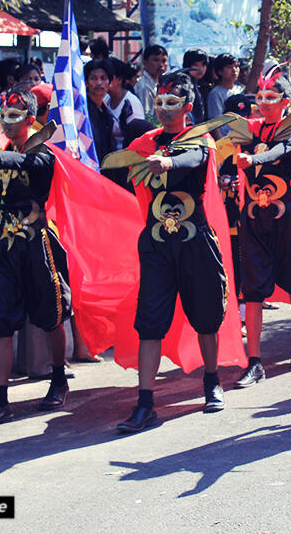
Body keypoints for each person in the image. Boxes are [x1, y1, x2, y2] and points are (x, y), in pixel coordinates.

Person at [113, 71, 229, 432]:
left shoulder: (201, 140)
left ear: (188, 108)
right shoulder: (145, 143)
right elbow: (121, 172)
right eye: (159, 102)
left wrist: (168, 162)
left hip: (196, 242)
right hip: (157, 244)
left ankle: (212, 382)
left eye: (172, 103)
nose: (163, 109)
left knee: (207, 315)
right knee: (150, 322)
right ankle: (145, 402)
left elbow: (193, 160)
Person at [0, 89, 74, 429]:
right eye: (5, 116)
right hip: (6, 248)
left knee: (51, 314)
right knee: (1, 321)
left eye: (15, 117)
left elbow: (32, 164)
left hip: (38, 243)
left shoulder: (43, 149)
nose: (7, 123)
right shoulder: (2, 148)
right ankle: (0, 401)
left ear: (29, 119)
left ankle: (59, 379)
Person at [233, 70, 291, 387]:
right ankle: (254, 362)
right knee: (252, 290)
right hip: (253, 218)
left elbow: (280, 151)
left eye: (271, 98)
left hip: (286, 217)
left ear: (285, 102)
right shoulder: (248, 131)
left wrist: (254, 160)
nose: (264, 103)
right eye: (260, 98)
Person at [104, 59, 146, 150]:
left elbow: (137, 138)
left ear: (119, 80)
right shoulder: (106, 99)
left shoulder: (131, 103)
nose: (102, 82)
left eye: (106, 77)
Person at [84, 59, 117, 159]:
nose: (99, 83)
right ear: (86, 82)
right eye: (93, 78)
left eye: (103, 78)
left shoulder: (106, 112)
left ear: (109, 82)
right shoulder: (83, 110)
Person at [134, 44, 169, 118]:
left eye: (164, 61)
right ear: (145, 63)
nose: (161, 65)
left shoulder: (159, 83)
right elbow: (147, 116)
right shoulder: (144, 87)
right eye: (156, 60)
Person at [207, 54, 242, 125]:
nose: (234, 70)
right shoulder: (216, 94)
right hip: (226, 135)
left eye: (236, 66)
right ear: (220, 71)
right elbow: (215, 122)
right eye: (229, 67)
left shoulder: (240, 89)